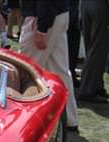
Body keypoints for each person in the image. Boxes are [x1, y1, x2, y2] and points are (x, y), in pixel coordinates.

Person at [19, 0, 79, 131]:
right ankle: (70, 118)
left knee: (26, 69)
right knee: (59, 70)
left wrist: (42, 28)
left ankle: (22, 120)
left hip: (43, 15)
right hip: (56, 14)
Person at [78, 0, 109, 103]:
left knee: (91, 48)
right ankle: (87, 90)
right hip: (100, 6)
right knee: (98, 50)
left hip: (85, 5)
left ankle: (97, 86)